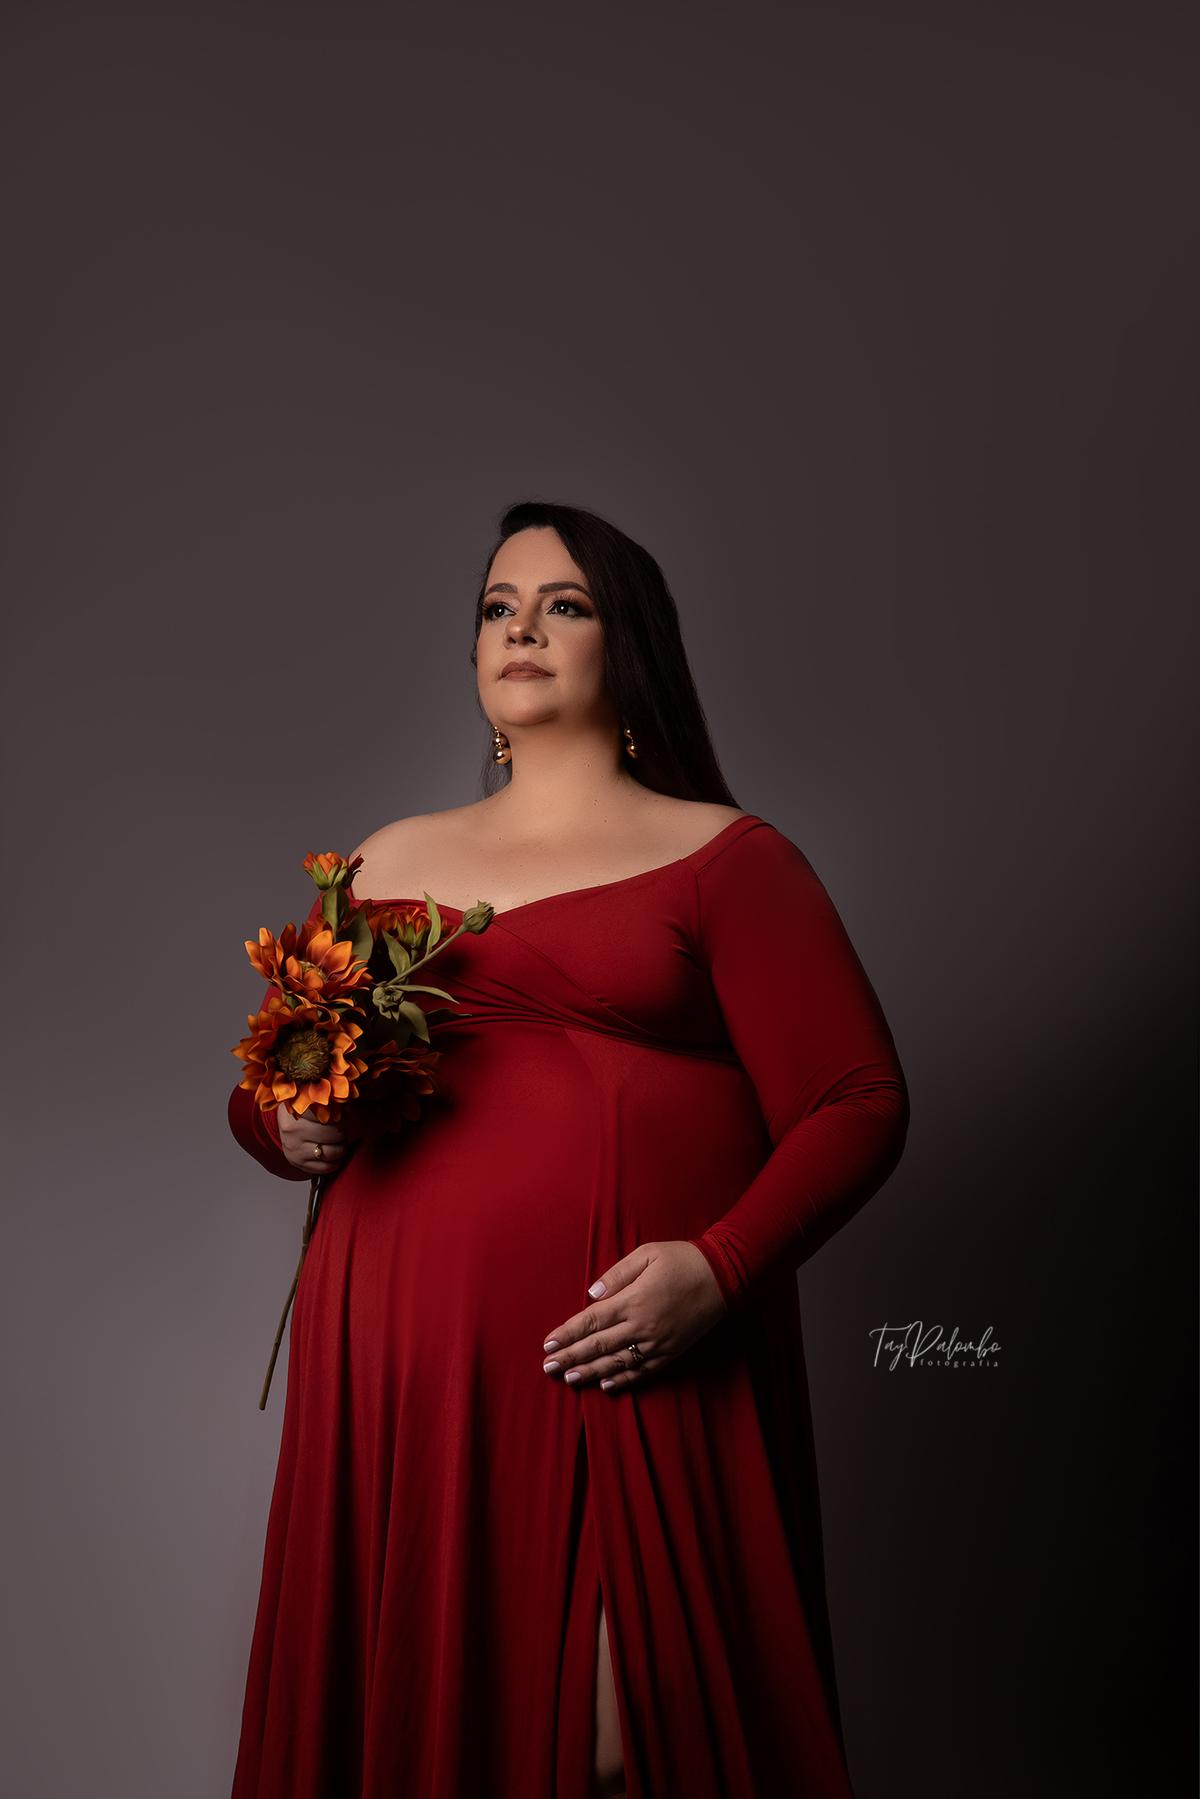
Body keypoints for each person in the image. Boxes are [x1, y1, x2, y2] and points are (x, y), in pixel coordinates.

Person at [228, 501, 908, 1799]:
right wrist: (285, 1122)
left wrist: (721, 1270)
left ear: (626, 642)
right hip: (404, 1358)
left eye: (564, 605)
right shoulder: (384, 859)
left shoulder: (726, 858)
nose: (521, 629)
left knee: (620, 1742)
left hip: (618, 1341)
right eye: (498, 607)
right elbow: (269, 1084)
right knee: (423, 1715)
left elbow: (859, 1099)